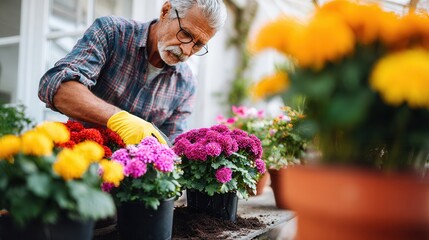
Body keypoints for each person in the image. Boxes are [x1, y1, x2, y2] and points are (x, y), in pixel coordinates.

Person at [38, 0, 227, 145]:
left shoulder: (186, 84)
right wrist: (118, 119)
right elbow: (56, 87)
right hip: (81, 165)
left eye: (198, 44)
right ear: (165, 11)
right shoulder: (112, 33)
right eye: (185, 34)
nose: (187, 51)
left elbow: (172, 146)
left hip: (135, 185)